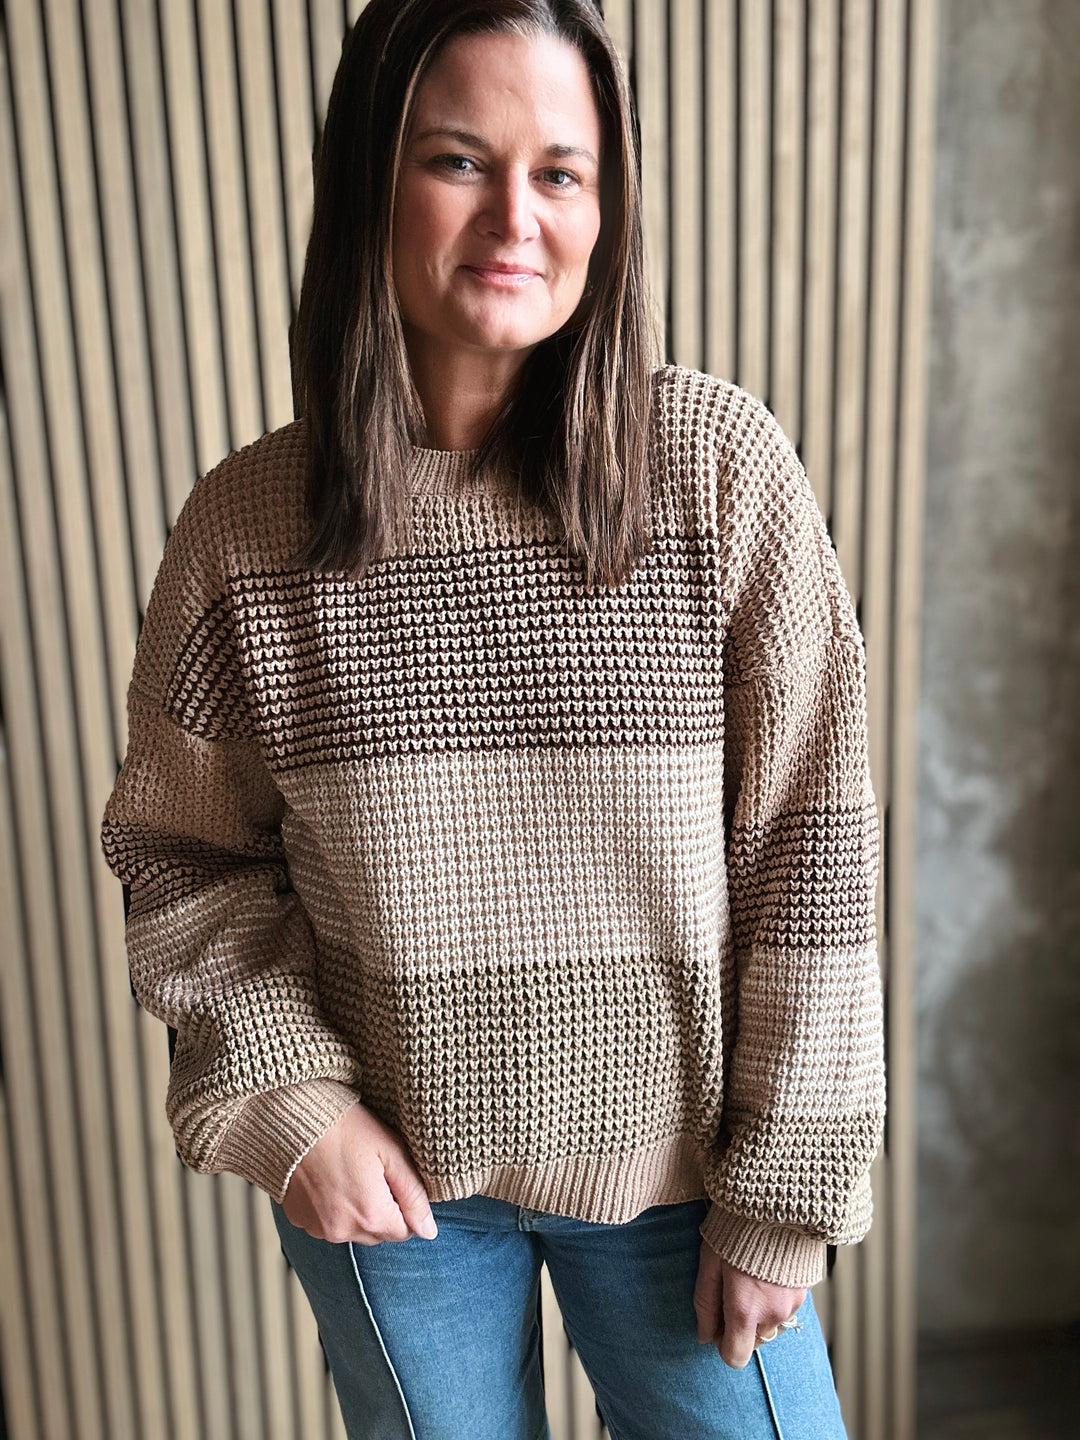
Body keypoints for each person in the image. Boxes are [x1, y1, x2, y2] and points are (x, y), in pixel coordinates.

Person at [100, 1, 885, 1436]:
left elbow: (813, 849)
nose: (517, 216)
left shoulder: (716, 472)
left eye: (563, 173)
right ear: (370, 185)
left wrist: (785, 1194)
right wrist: (293, 1106)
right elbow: (184, 858)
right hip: (397, 1187)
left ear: (610, 203)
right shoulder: (247, 529)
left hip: (687, 1177)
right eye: (460, 160)